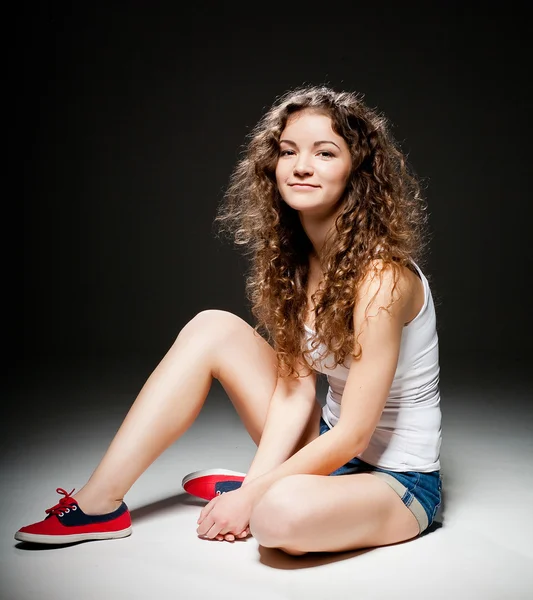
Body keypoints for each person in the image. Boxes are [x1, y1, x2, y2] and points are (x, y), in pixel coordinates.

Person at [15, 85, 442, 555]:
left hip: (396, 483)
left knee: (276, 518)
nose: (301, 165)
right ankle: (99, 505)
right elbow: (294, 391)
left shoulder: (383, 278)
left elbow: (355, 432)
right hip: (329, 449)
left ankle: (270, 489)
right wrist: (255, 488)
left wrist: (255, 495)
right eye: (288, 151)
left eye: (325, 153)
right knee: (211, 326)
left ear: (357, 172)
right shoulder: (299, 263)